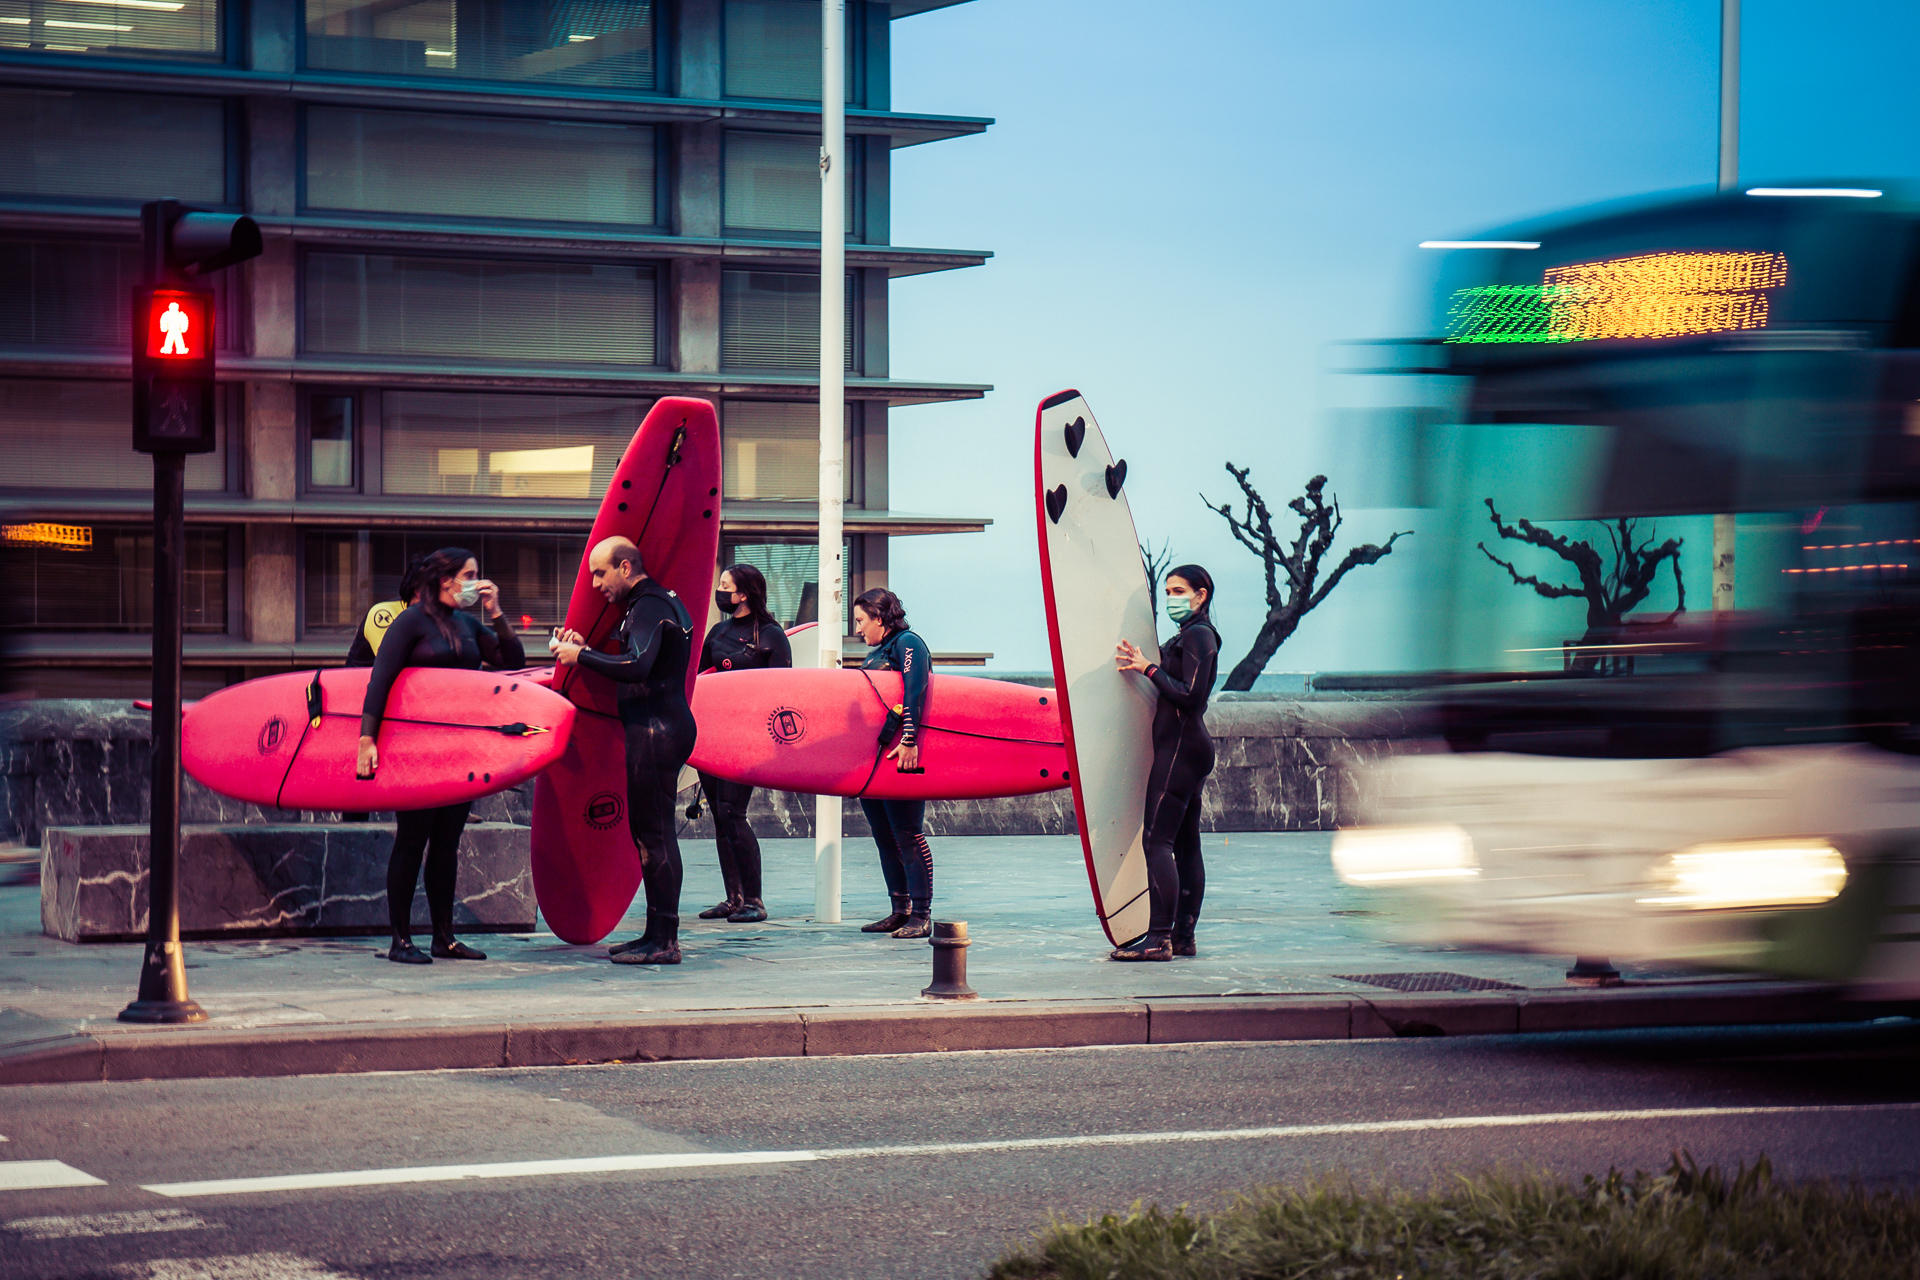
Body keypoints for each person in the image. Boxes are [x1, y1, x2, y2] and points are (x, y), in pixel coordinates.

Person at [356, 548, 526, 965]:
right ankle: (400, 940)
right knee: (412, 841)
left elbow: (513, 661)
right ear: (445, 579)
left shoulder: (466, 623)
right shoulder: (410, 622)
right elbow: (380, 678)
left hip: (457, 748)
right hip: (416, 748)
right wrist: (367, 738)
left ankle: (443, 937)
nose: (475, 581)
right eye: (468, 575)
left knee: (448, 843)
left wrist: (496, 611)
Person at [551, 537, 697, 965]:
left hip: (657, 730)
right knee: (648, 835)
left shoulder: (649, 605)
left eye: (601, 572)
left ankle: (665, 940)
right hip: (656, 727)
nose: (595, 583)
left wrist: (580, 656)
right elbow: (636, 657)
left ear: (627, 567)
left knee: (655, 835)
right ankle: (654, 933)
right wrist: (587, 649)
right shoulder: (651, 603)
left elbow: (638, 666)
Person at [1112, 564, 1220, 961]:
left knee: (1157, 842)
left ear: (1201, 594)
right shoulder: (1194, 634)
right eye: (1168, 591)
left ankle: (1158, 939)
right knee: (1187, 844)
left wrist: (1148, 667)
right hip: (1188, 747)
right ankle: (1184, 937)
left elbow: (1190, 694)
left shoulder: (1198, 634)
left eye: (1178, 591)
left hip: (1180, 748)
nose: (1172, 597)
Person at [694, 564, 792, 924]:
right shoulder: (718, 632)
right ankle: (733, 898)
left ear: (744, 594)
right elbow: (700, 680)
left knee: (734, 814)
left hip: (746, 738)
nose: (720, 591)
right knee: (720, 816)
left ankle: (754, 900)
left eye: (725, 586)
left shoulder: (769, 634)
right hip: (712, 735)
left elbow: (782, 691)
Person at [851, 587, 935, 940]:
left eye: (860, 621)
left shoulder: (908, 643)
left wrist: (910, 739)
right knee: (883, 835)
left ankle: (921, 913)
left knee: (908, 834)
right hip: (875, 760)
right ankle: (899, 910)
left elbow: (915, 690)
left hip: (902, 753)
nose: (857, 630)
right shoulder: (876, 654)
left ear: (880, 618)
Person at [340, 591, 412, 823]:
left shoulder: (435, 618)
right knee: (362, 776)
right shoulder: (384, 613)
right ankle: (354, 832)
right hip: (359, 705)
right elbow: (392, 661)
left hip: (397, 702)